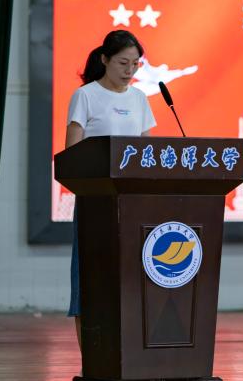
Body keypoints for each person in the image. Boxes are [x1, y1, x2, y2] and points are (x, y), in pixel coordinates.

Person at [64, 30, 156, 342]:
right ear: (104, 59)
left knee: (128, 280)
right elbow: (71, 155)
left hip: (132, 204)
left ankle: (128, 351)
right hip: (95, 202)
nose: (129, 70)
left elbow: (148, 154)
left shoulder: (139, 98)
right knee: (90, 281)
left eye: (135, 64)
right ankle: (91, 356)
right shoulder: (86, 95)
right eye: (122, 63)